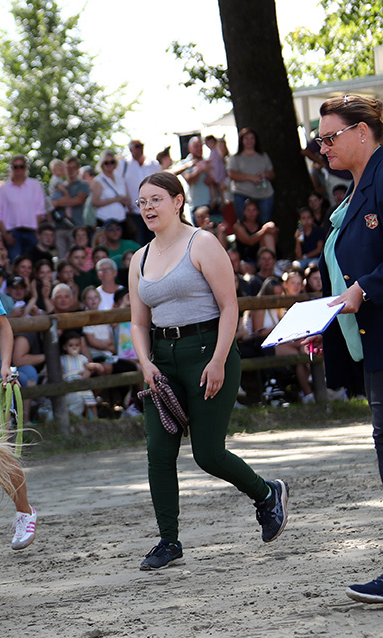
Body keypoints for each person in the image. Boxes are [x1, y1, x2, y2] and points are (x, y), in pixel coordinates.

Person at [128, 171, 288, 571]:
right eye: (142, 201)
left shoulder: (202, 243)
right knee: (158, 454)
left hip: (206, 350)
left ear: (178, 201)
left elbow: (230, 306)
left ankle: (266, 493)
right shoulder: (139, 258)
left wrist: (219, 359)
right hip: (162, 358)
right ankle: (168, 541)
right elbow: (138, 322)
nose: (147, 207)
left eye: (155, 200)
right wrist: (145, 362)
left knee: (207, 453)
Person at [293, 97, 383, 601]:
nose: (322, 148)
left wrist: (364, 290)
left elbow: (366, 276)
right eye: (319, 140)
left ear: (363, 131)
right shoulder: (353, 189)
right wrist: (323, 320)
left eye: (330, 138)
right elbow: (343, 274)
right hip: (371, 341)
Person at [228, 128, 277, 223]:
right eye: (246, 138)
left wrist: (265, 175)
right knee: (244, 223)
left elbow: (272, 174)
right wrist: (250, 178)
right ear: (242, 141)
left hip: (264, 194)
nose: (249, 141)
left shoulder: (263, 156)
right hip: (242, 194)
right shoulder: (235, 158)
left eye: (252, 138)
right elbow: (232, 175)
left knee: (265, 222)